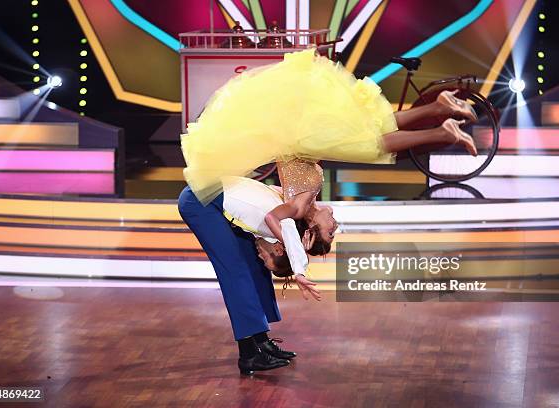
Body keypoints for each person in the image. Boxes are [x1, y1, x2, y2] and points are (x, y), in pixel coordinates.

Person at [181, 47, 478, 209]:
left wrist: (294, 259)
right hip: (299, 131)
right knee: (367, 126)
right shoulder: (301, 201)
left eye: (328, 231)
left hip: (296, 133)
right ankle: (439, 111)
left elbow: (276, 215)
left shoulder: (295, 209)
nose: (333, 224)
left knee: (371, 143)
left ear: (311, 232)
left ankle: (443, 130)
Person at [178, 177, 320, 375]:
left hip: (215, 201)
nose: (263, 257)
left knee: (255, 266)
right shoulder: (282, 227)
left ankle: (262, 340)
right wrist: (299, 271)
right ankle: (248, 354)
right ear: (279, 249)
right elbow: (290, 237)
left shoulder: (279, 227)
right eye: (267, 258)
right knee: (236, 273)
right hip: (199, 201)